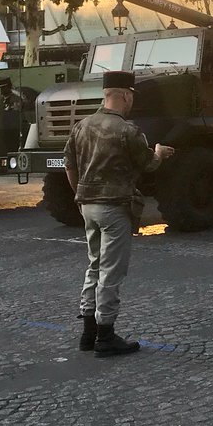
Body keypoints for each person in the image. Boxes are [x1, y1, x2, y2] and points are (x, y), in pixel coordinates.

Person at [63, 70, 174, 357]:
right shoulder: (127, 130)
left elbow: (69, 165)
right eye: (131, 97)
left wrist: (79, 195)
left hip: (87, 206)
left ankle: (87, 333)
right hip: (114, 208)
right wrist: (159, 152)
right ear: (125, 95)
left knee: (94, 266)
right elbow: (148, 164)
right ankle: (106, 335)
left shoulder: (81, 126)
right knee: (111, 272)